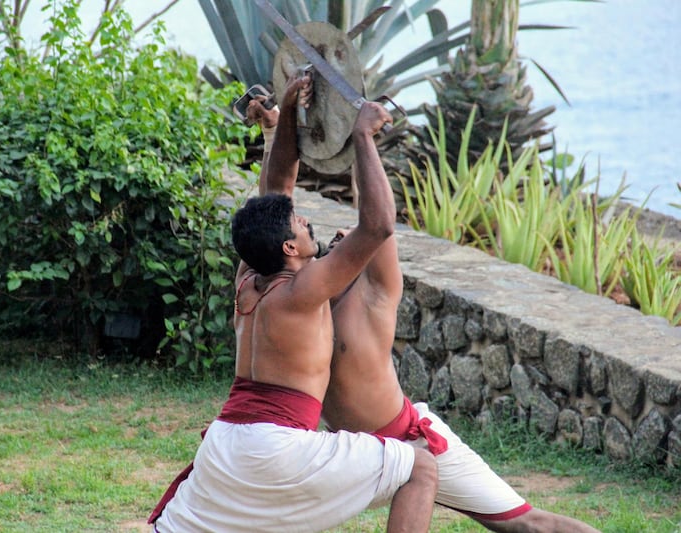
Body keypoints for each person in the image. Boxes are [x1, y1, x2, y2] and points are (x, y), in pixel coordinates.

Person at [252, 76, 602, 533]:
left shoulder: (375, 299)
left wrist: (363, 137)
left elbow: (375, 218)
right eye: (333, 243)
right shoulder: (302, 301)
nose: (339, 242)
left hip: (411, 440)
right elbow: (274, 201)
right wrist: (283, 125)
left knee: (528, 525)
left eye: (347, 241)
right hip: (353, 453)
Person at [148, 74, 438, 532]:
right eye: (299, 224)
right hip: (277, 448)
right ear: (289, 249)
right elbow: (378, 226)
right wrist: (362, 135)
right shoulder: (303, 292)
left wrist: (282, 116)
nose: (304, 220)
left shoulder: (249, 276)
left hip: (224, 446)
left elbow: (278, 184)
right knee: (420, 469)